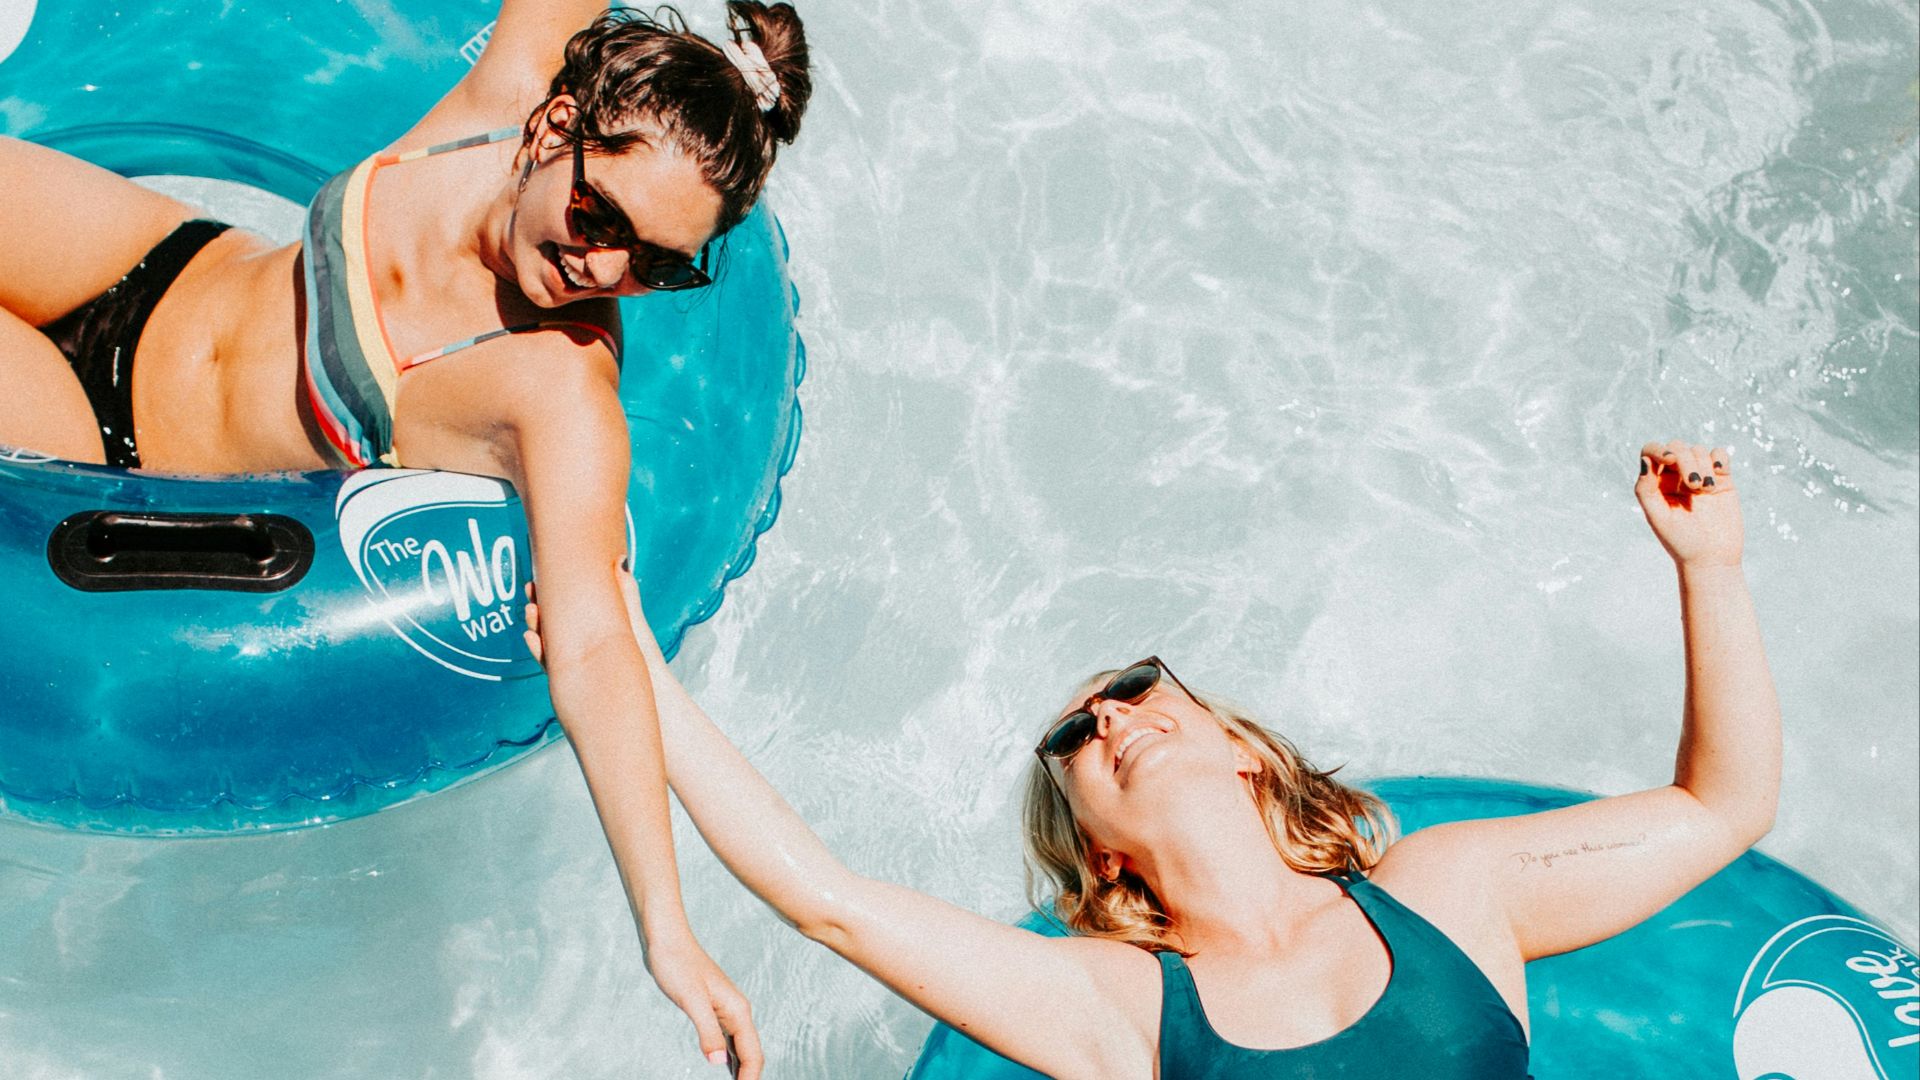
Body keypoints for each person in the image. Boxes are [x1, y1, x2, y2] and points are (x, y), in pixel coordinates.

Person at [0, 4, 810, 1072]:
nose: (606, 270)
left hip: (109, 441)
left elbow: (597, 649)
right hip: (153, 259)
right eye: (600, 214)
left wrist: (668, 932)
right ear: (553, 124)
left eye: (661, 266)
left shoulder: (557, 391)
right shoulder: (498, 94)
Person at [527, 440, 1780, 1077]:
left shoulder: (1455, 892)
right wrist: (625, 651)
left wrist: (1707, 564)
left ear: (1241, 747)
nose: (1112, 719)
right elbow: (826, 901)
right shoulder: (1122, 1011)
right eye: (1076, 735)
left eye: (1131, 688)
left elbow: (1723, 808)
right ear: (1095, 845)